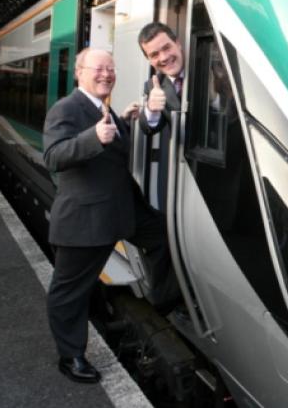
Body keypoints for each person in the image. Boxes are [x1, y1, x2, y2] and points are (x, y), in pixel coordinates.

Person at [43, 47, 172, 384]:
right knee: (70, 292)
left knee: (163, 235)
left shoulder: (104, 108)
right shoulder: (67, 108)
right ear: (79, 72)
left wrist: (125, 121)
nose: (106, 74)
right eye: (99, 68)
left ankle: (164, 300)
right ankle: (70, 357)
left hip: (119, 211)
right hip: (84, 222)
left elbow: (113, 151)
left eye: (111, 68)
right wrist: (93, 137)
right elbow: (54, 156)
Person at [137, 22, 185, 211]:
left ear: (178, 43)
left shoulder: (211, 68)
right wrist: (152, 109)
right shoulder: (153, 85)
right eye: (154, 55)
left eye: (166, 48)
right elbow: (148, 128)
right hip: (179, 176)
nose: (164, 58)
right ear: (149, 60)